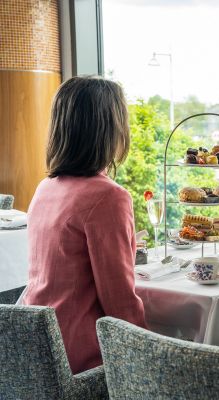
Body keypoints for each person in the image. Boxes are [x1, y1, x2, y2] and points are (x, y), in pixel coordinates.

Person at [23, 76, 147, 373]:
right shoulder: (108, 196)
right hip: (81, 359)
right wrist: (149, 355)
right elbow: (120, 304)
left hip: (35, 353)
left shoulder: (46, 187)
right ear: (112, 130)